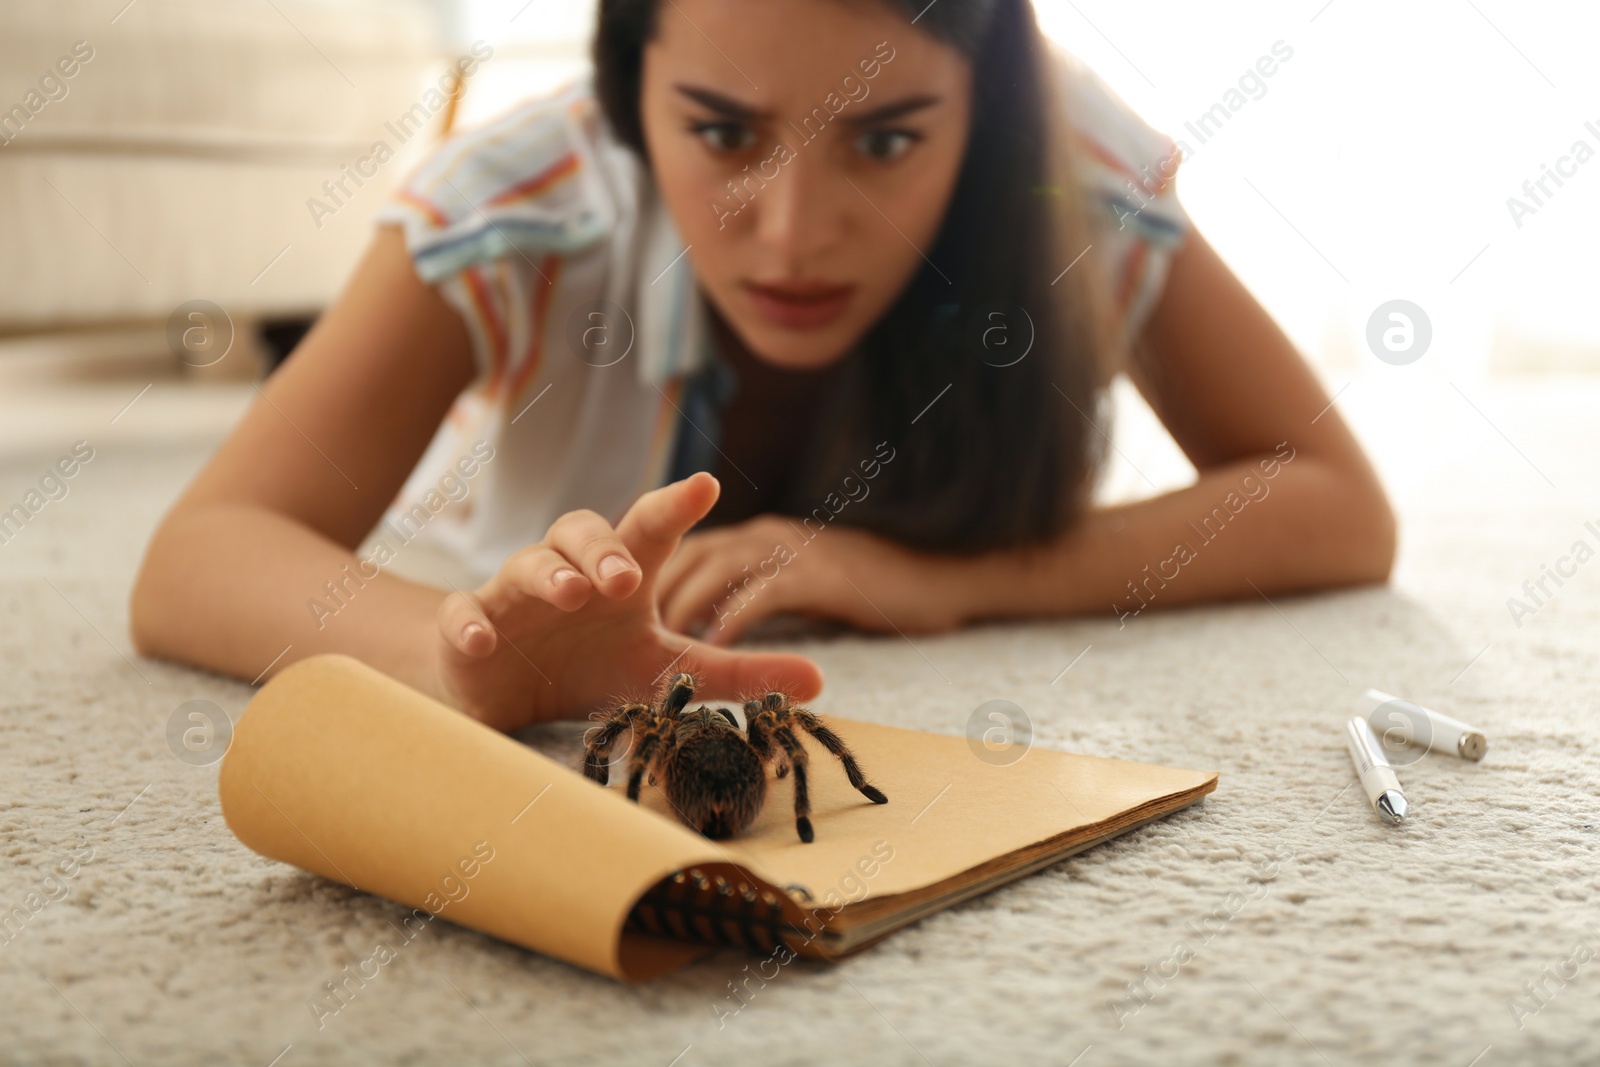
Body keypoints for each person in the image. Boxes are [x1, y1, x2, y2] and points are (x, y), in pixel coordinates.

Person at [130, 0, 1396, 733]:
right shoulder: (518, 203)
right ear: (630, 94)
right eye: (722, 133)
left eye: (887, 140)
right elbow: (203, 553)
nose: (794, 233)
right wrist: (461, 650)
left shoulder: (1069, 176)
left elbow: (1335, 503)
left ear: (985, 105)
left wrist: (947, 581)